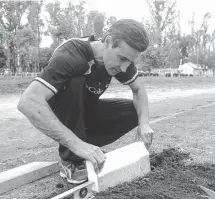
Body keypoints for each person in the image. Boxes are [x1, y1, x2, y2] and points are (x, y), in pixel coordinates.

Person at [17, 19, 154, 184]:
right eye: (122, 59)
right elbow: (28, 101)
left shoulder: (120, 60)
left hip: (86, 111)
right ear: (108, 41)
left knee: (135, 112)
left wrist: (144, 123)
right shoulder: (71, 56)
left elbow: (139, 90)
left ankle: (86, 148)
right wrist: (76, 145)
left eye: (129, 62)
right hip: (61, 111)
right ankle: (71, 160)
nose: (124, 68)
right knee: (75, 80)